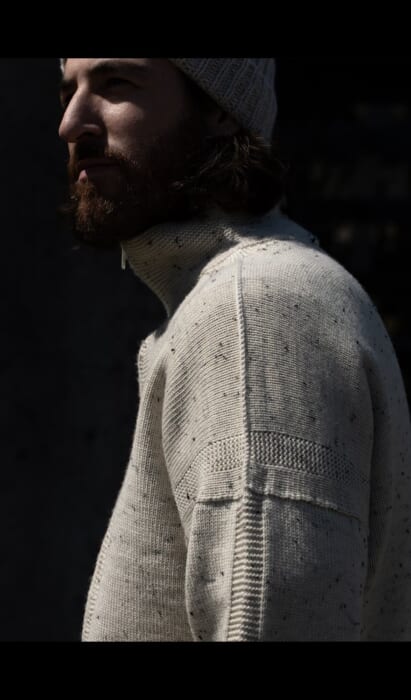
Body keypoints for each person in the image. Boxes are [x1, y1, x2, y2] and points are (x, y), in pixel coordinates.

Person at [58, 58, 411, 641]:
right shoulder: (239, 296)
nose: (71, 123)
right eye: (67, 90)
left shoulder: (254, 311)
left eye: (117, 83)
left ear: (220, 107)